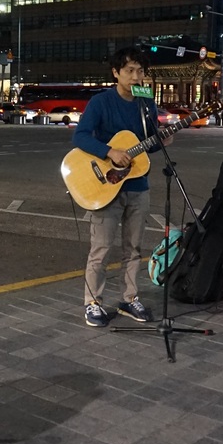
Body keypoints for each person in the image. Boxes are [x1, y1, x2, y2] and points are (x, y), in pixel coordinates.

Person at [73, 46, 173, 328]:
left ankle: (130, 298)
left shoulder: (146, 102)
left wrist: (161, 141)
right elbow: (80, 137)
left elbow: (146, 146)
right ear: (116, 73)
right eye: (129, 70)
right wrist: (109, 152)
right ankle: (93, 303)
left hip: (137, 185)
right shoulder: (101, 102)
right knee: (101, 248)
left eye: (140, 71)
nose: (135, 76)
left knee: (134, 247)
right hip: (106, 184)